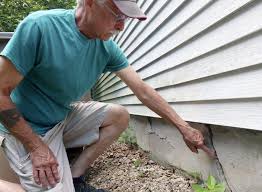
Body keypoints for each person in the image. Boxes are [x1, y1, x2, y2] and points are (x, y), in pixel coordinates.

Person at [0, 0, 216, 191]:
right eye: (117, 15)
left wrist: (184, 128)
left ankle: (76, 176)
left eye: (126, 19)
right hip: (28, 128)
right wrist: (37, 148)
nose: (122, 26)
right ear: (90, 2)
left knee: (119, 115)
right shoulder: (41, 27)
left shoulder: (105, 47)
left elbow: (142, 90)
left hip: (60, 117)